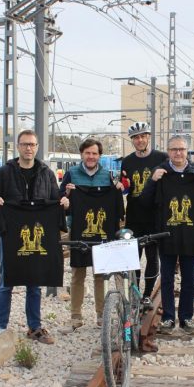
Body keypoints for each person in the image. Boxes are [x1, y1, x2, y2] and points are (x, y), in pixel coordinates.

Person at [0, 129, 69, 345]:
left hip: (38, 238)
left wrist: (64, 205)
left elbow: (55, 201)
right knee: (6, 282)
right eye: (24, 144)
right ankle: (1, 327)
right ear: (18, 147)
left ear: (37, 147)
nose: (28, 148)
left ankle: (35, 327)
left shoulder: (46, 173)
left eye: (32, 144)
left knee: (35, 283)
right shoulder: (4, 173)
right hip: (10, 237)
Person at [140, 135, 194, 335]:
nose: (178, 153)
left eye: (181, 149)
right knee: (167, 278)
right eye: (174, 149)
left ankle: (186, 318)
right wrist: (153, 182)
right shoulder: (161, 173)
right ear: (168, 151)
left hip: (190, 235)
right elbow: (145, 201)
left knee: (189, 279)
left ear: (187, 151)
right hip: (167, 234)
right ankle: (168, 318)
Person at [60, 139, 125, 329]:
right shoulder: (71, 174)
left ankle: (100, 314)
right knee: (77, 273)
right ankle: (75, 315)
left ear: (99, 156)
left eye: (94, 153)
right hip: (79, 230)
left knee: (100, 273)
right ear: (82, 154)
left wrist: (119, 191)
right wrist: (67, 194)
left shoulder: (108, 176)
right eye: (87, 153)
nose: (91, 156)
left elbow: (119, 205)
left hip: (103, 233)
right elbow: (60, 198)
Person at [120, 122, 168, 307]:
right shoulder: (127, 161)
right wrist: (121, 186)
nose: (139, 140)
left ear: (148, 137)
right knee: (133, 257)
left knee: (152, 256)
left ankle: (147, 294)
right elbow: (124, 186)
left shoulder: (162, 158)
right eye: (135, 137)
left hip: (154, 215)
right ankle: (135, 292)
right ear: (132, 140)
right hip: (133, 214)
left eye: (143, 136)